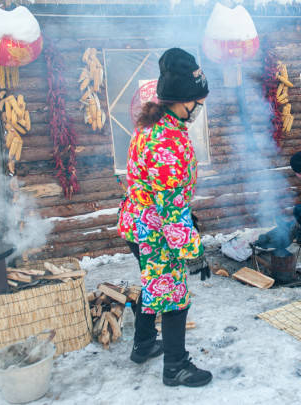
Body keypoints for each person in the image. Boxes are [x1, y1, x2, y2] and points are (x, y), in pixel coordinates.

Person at [117, 48, 211, 387]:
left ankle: (143, 344)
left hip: (141, 221)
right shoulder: (164, 141)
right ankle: (176, 366)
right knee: (172, 292)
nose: (199, 108)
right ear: (181, 100)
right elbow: (170, 209)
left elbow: (170, 196)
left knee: (153, 282)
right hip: (155, 228)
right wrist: (193, 250)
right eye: (197, 102)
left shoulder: (160, 125)